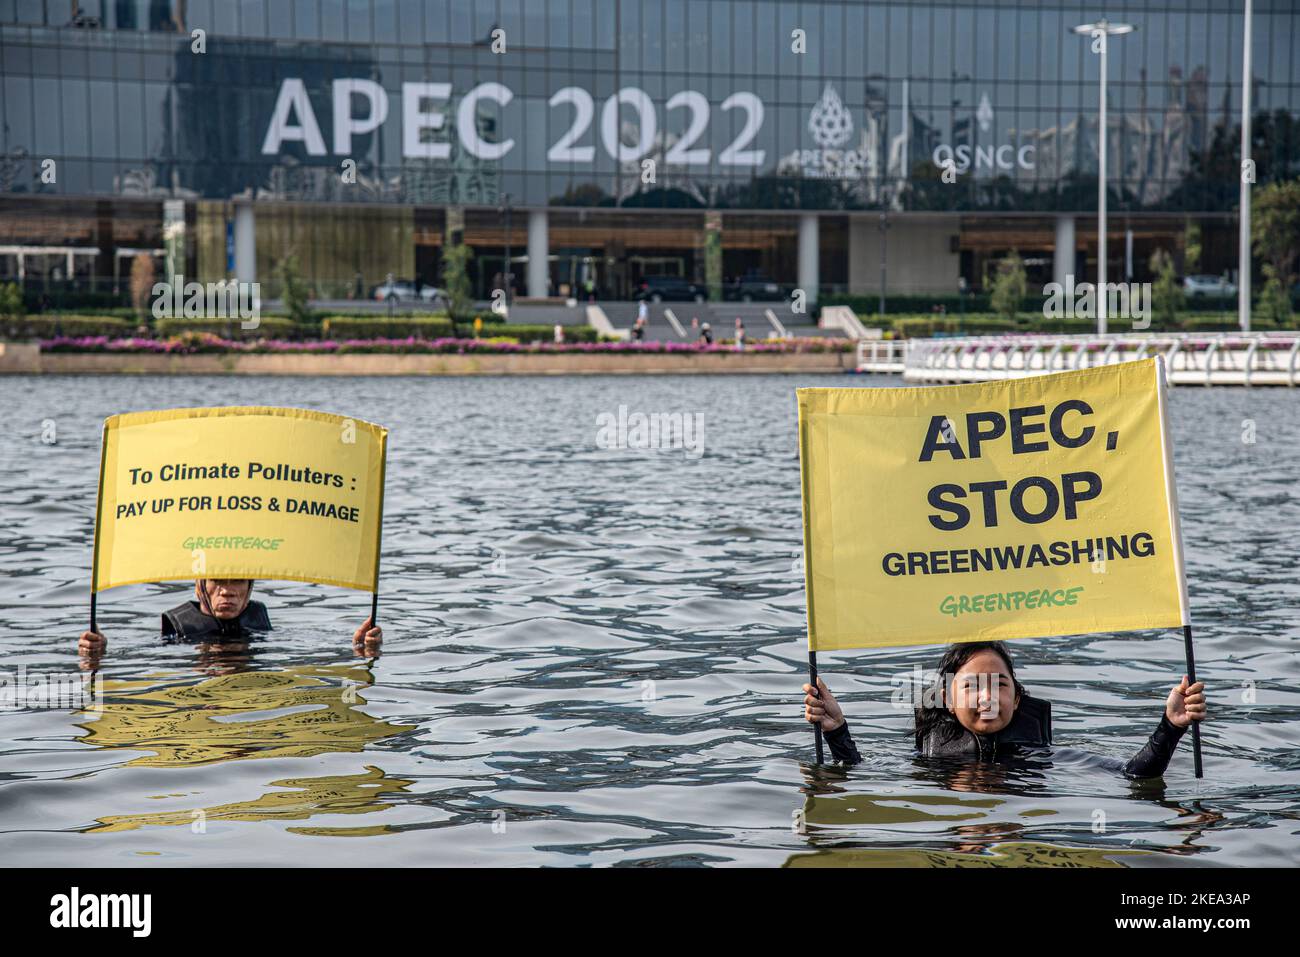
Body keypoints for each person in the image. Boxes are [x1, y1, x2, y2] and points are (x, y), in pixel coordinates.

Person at [801, 640, 1206, 779]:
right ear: (945, 697)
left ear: (1017, 697)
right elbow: (858, 775)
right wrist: (837, 731)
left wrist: (1169, 727)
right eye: (973, 686)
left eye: (999, 685)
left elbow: (1134, 777)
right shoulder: (927, 765)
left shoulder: (1047, 757)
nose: (987, 697)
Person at [77, 578, 381, 657]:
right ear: (200, 587)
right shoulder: (175, 635)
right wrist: (97, 655)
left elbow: (312, 647)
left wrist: (361, 648)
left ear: (250, 590)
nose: (228, 592)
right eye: (218, 582)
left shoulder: (259, 625)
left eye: (237, 583)